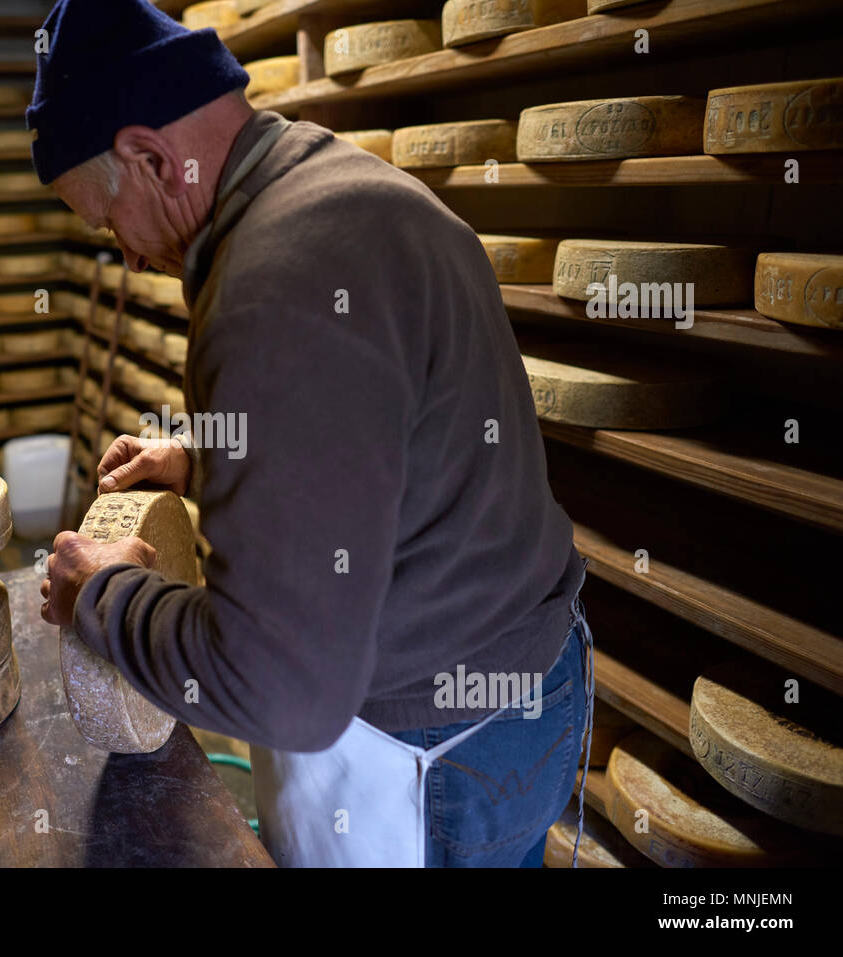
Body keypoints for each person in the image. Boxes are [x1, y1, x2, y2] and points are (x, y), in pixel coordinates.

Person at [34, 0, 594, 867]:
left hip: (433, 759)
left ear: (151, 157)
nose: (129, 256)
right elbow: (383, 427)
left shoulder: (273, 288)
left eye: (108, 222)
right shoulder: (349, 187)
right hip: (533, 688)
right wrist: (215, 459)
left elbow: (284, 691)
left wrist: (104, 597)